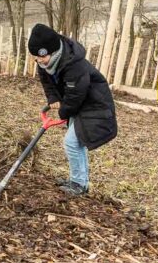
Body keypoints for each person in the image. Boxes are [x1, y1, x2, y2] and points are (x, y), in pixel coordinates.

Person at [28, 23, 118, 197]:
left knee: (72, 143)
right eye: (36, 58)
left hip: (94, 106)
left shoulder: (74, 65)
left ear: (53, 51)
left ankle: (78, 183)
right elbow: (47, 82)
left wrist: (63, 113)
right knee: (76, 143)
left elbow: (75, 94)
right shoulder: (46, 63)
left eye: (42, 57)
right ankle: (80, 182)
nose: (39, 62)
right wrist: (53, 99)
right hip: (80, 105)